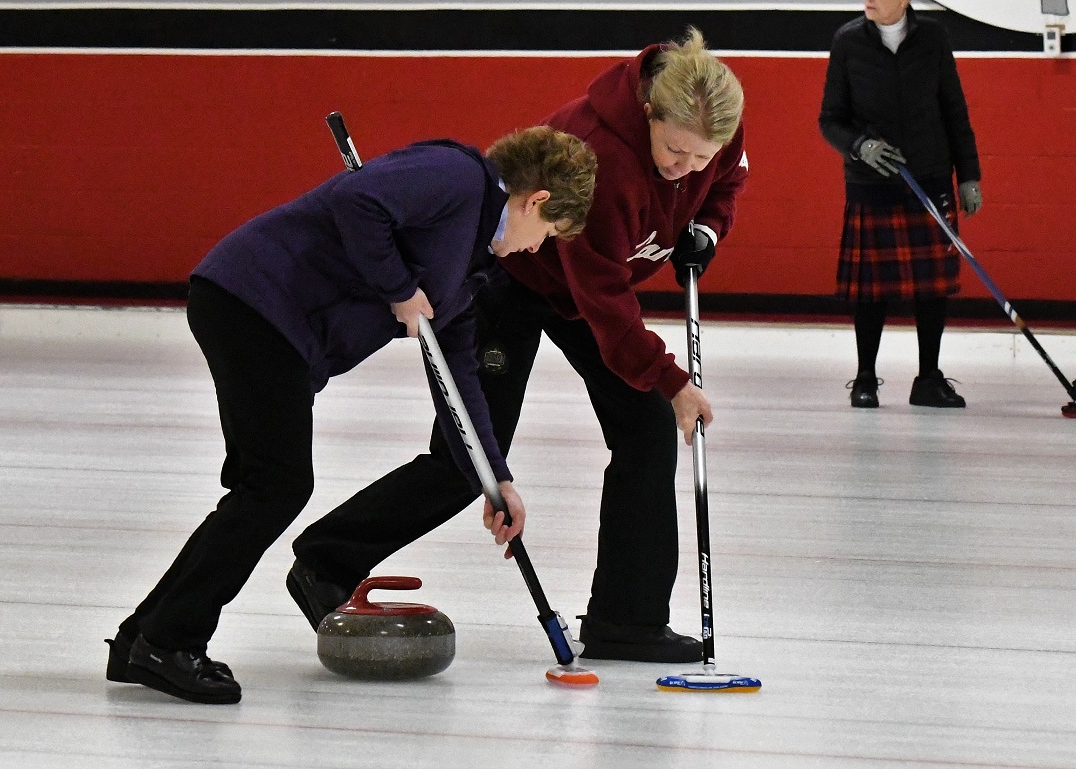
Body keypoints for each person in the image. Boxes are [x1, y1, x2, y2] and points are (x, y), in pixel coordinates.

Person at [286, 27, 747, 664]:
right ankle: (325, 560)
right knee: (470, 454)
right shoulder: (602, 157)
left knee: (644, 428)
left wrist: (708, 227)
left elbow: (725, 182)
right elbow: (605, 302)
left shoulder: (716, 126)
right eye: (674, 151)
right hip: (513, 275)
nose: (684, 168)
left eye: (700, 157)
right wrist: (672, 381)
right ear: (648, 112)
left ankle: (627, 620)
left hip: (584, 286)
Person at [104, 126, 597, 704]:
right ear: (537, 201)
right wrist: (399, 286)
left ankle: (143, 638)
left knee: (267, 485)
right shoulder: (459, 177)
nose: (538, 249)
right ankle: (169, 640)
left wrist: (496, 479)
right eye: (549, 233)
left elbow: (459, 384)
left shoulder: (469, 268)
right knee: (275, 485)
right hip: (255, 300)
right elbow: (356, 199)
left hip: (277, 327)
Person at [819, 0, 982, 409]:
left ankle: (928, 378)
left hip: (929, 177)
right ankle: (865, 378)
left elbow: (954, 111)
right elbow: (830, 119)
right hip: (871, 182)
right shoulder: (848, 41)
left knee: (932, 290)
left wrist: (969, 175)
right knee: (871, 291)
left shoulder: (933, 38)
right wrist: (860, 145)